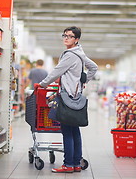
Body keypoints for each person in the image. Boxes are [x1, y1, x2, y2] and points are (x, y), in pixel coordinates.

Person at [38, 26, 98, 173]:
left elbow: (56, 71)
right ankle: (76, 163)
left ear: (76, 39)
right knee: (74, 130)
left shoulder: (70, 54)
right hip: (75, 95)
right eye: (64, 35)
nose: (66, 38)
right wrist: (83, 82)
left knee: (67, 131)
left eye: (70, 36)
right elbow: (94, 68)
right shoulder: (80, 53)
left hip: (67, 96)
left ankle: (68, 164)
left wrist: (43, 84)